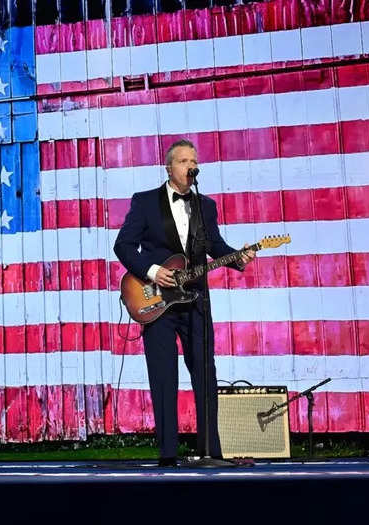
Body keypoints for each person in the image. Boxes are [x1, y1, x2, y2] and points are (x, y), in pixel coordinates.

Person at [114, 139, 255, 466]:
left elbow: (215, 245)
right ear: (169, 168)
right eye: (183, 160)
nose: (190, 165)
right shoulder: (146, 202)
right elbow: (123, 246)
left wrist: (239, 258)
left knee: (205, 372)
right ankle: (168, 454)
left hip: (196, 302)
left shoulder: (206, 206)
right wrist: (152, 270)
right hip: (157, 301)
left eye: (194, 160)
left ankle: (210, 451)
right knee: (164, 376)